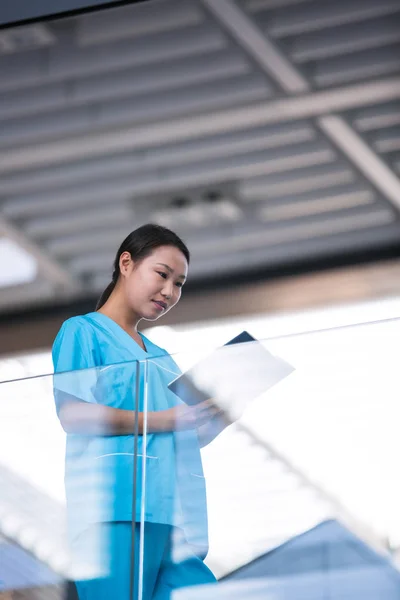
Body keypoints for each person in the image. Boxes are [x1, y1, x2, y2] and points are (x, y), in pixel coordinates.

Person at [52, 224, 230, 600]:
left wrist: (214, 418)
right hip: (115, 513)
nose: (169, 292)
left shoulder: (162, 358)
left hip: (174, 517)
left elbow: (182, 433)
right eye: (162, 275)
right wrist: (165, 419)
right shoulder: (82, 332)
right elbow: (74, 415)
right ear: (127, 263)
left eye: (179, 283)